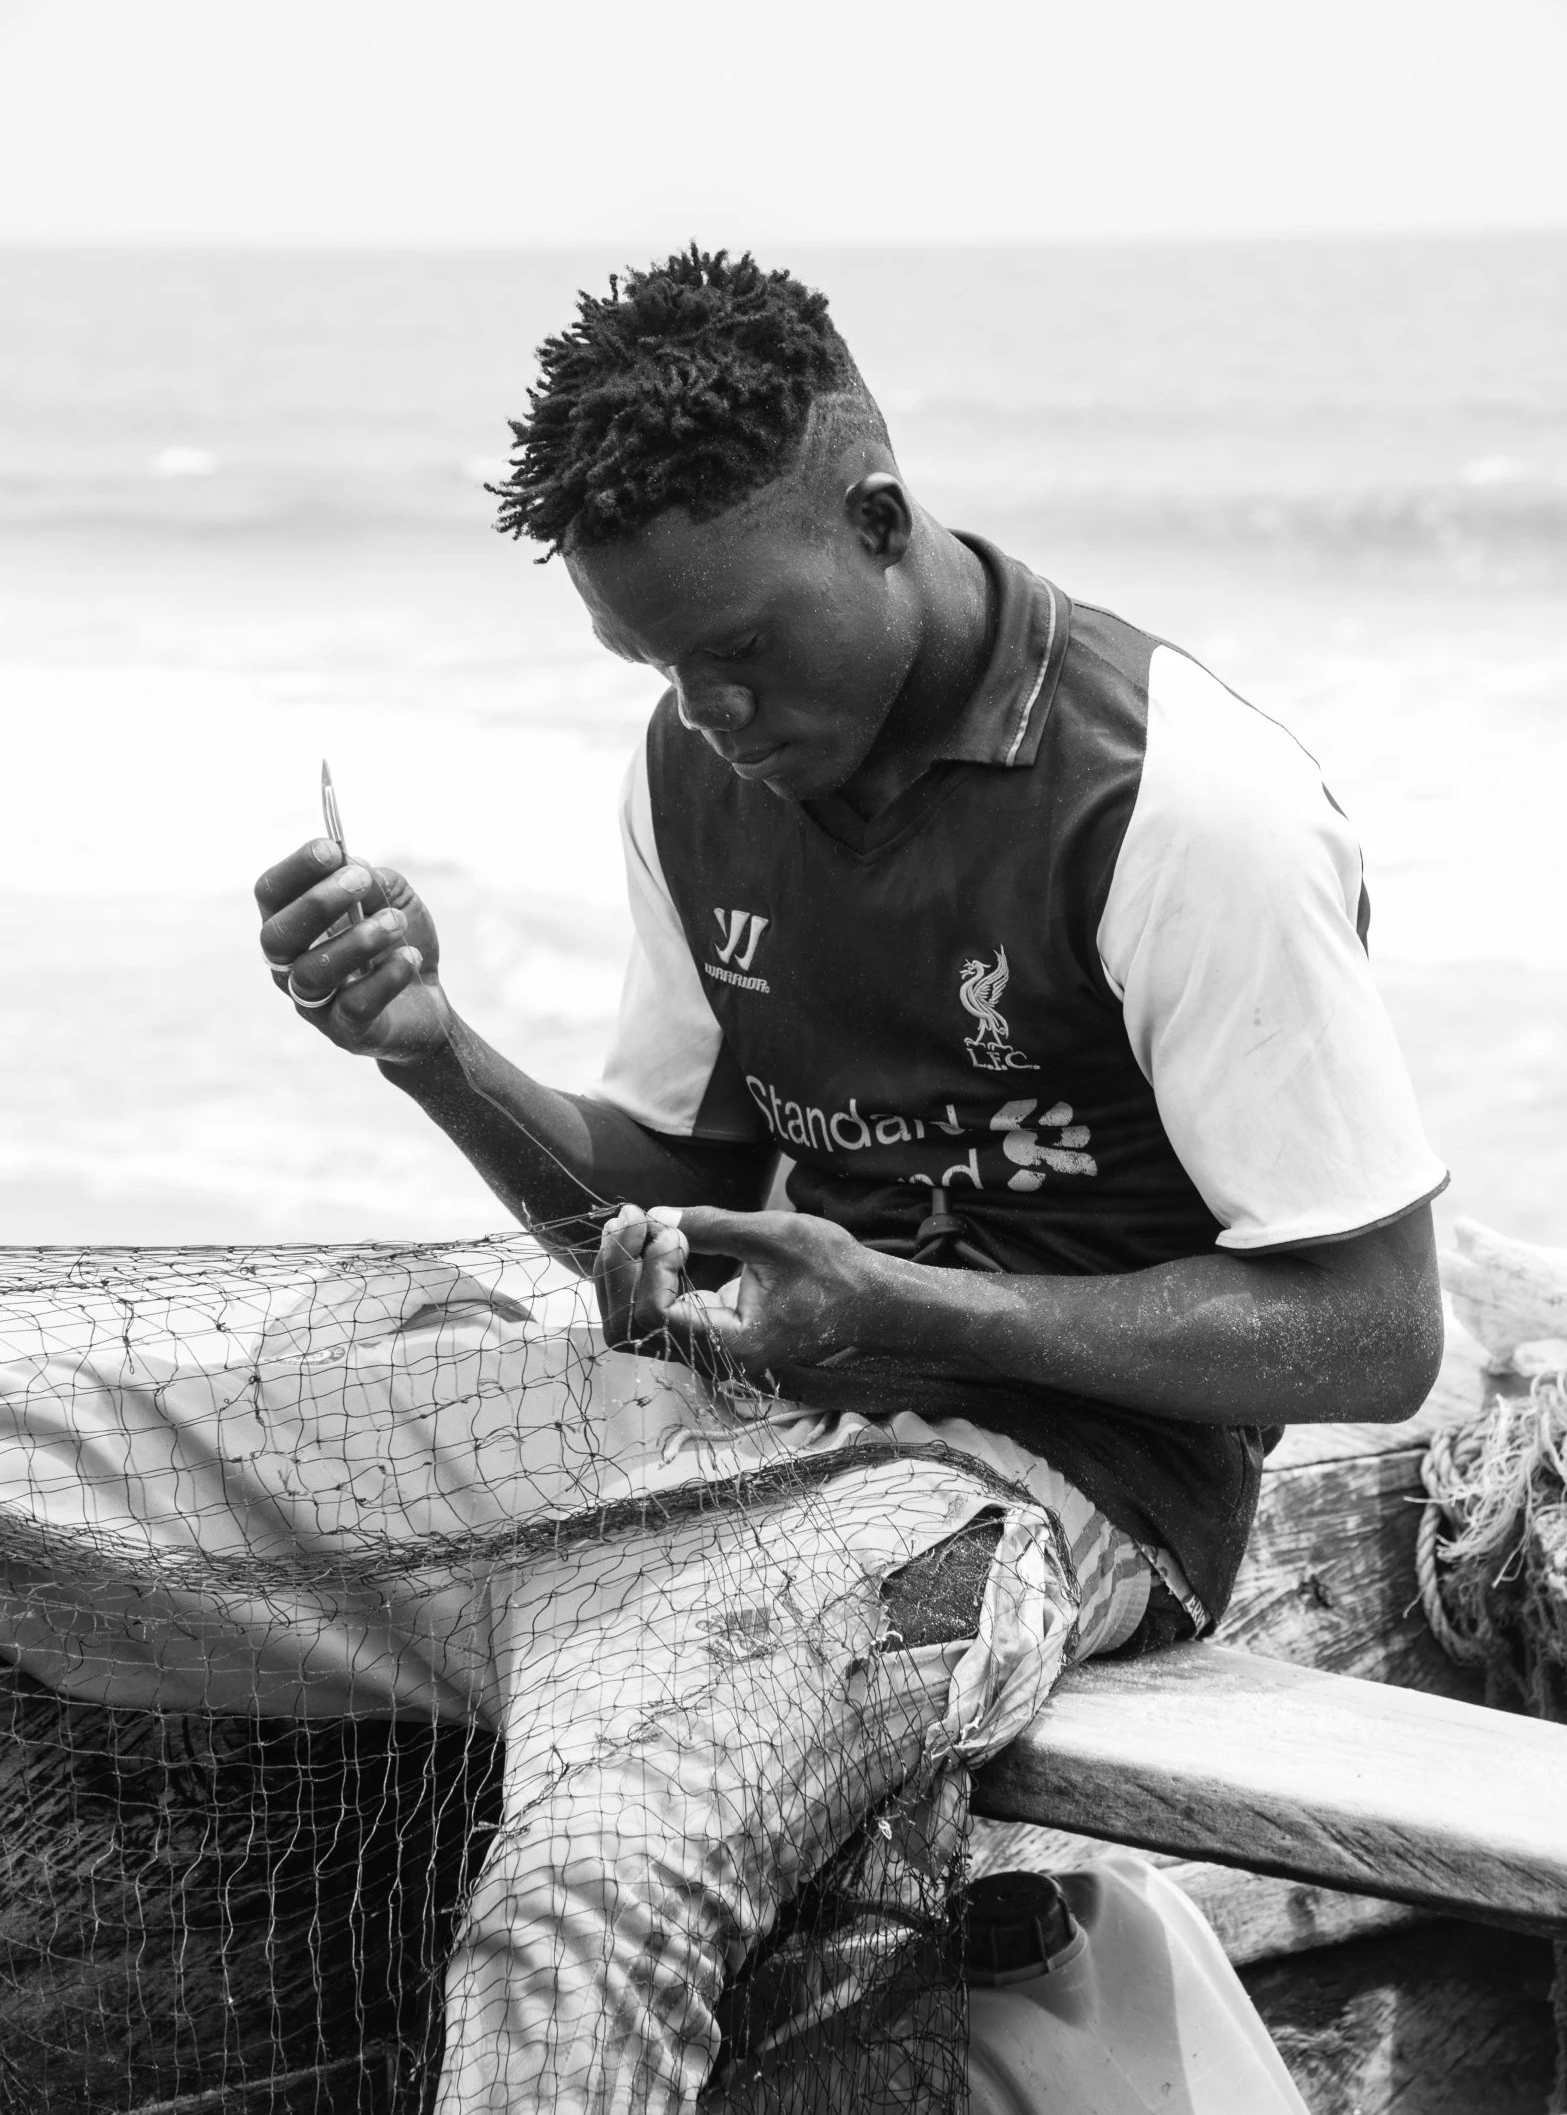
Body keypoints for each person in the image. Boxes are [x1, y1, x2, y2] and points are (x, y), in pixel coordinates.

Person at [254, 244, 1451, 2104]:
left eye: (739, 648)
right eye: (647, 658)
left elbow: (1371, 1338)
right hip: (761, 1424)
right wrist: (433, 1050)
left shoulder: (1178, 802)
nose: (704, 707)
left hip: (1050, 1488)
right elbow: (654, 1187)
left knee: (592, 1886)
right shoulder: (691, 762)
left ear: (877, 517)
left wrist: (905, 1308)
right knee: (140, 1431)